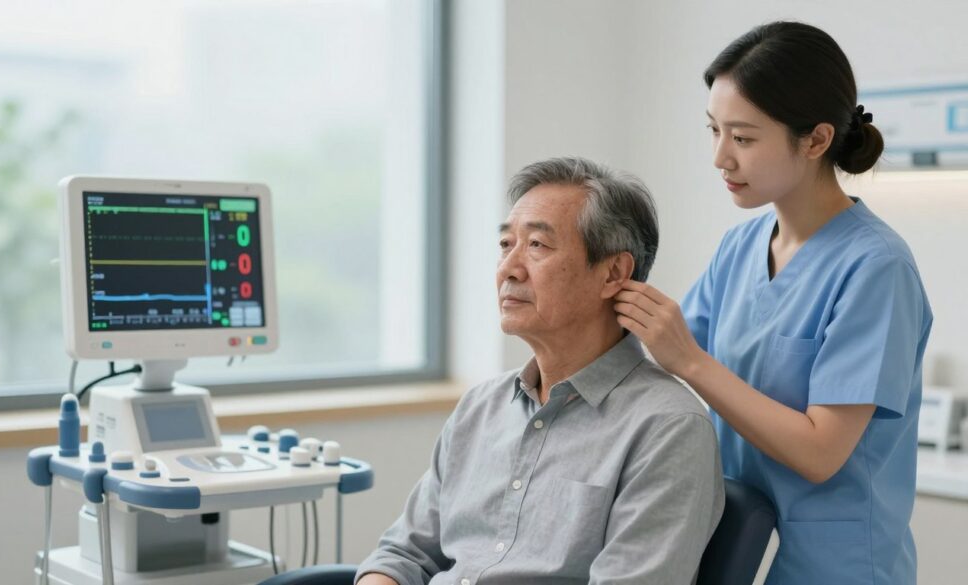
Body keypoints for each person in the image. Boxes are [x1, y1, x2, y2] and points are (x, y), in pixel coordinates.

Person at [614, 22, 932, 585]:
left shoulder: (877, 268)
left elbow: (820, 452)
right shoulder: (741, 247)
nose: (720, 158)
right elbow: (662, 359)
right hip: (732, 542)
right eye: (713, 131)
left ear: (815, 140)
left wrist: (689, 359)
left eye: (743, 138)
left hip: (837, 568)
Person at [356, 157, 724, 585]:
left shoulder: (667, 427)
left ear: (613, 273)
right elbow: (403, 554)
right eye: (505, 245)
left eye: (537, 246)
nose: (509, 268)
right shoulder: (481, 406)